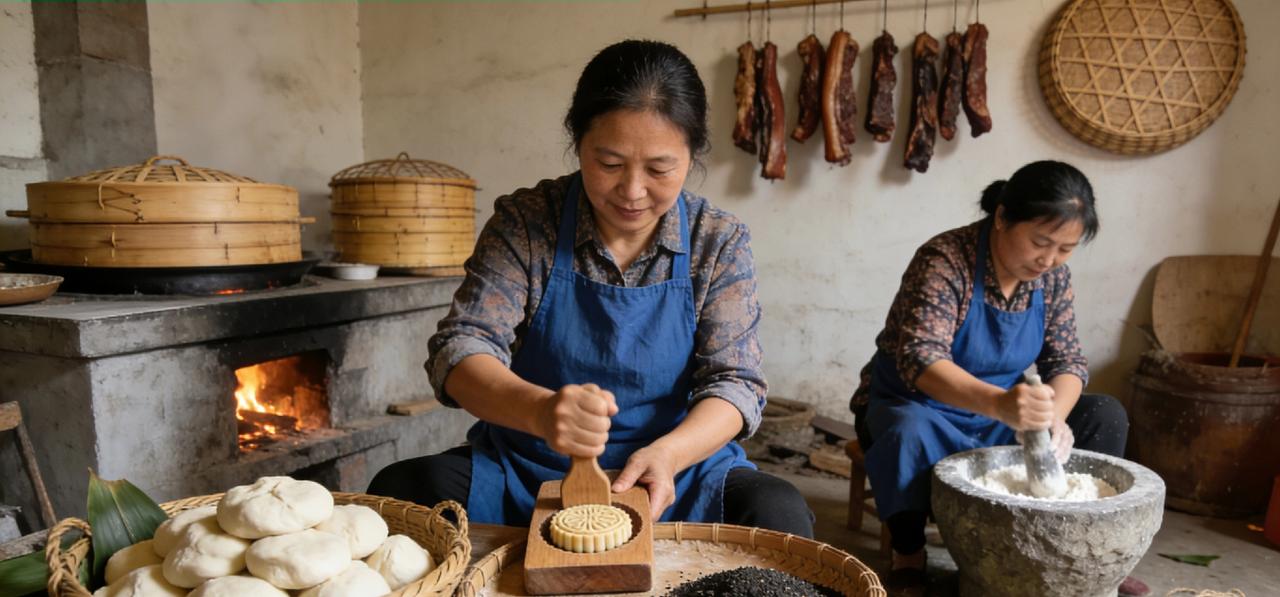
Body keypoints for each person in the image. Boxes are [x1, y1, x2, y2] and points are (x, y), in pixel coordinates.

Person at [369, 39, 812, 537]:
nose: (632, 191)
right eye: (610, 163)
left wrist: (668, 454)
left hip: (674, 474)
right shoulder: (526, 221)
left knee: (777, 513)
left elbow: (736, 384)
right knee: (400, 489)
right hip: (528, 469)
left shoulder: (717, 240)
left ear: (692, 155)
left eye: (659, 168)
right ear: (578, 143)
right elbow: (460, 350)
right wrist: (539, 411)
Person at [848, 161, 1128, 588]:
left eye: (1066, 249)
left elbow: (1067, 362)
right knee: (907, 432)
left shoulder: (1052, 280)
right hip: (918, 404)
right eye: (1040, 241)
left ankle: (1078, 552)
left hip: (1002, 417)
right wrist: (999, 405)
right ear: (1001, 217)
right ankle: (909, 554)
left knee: (1104, 415)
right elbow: (921, 360)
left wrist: (1053, 415)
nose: (1049, 260)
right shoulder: (946, 259)